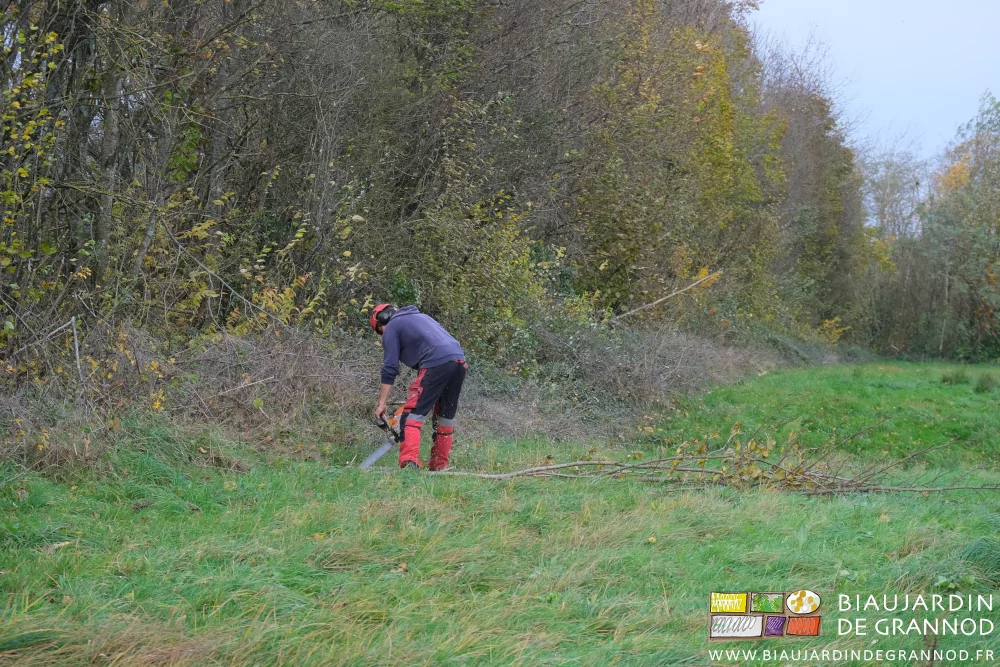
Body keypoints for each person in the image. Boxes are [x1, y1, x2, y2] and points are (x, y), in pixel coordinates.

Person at [371, 304, 467, 470]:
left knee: (411, 416)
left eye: (381, 331)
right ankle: (439, 467)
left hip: (436, 363)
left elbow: (390, 367)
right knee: (444, 418)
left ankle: (410, 464)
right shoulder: (423, 318)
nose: (383, 335)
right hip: (458, 362)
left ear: (381, 321)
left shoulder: (392, 326)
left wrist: (382, 403)